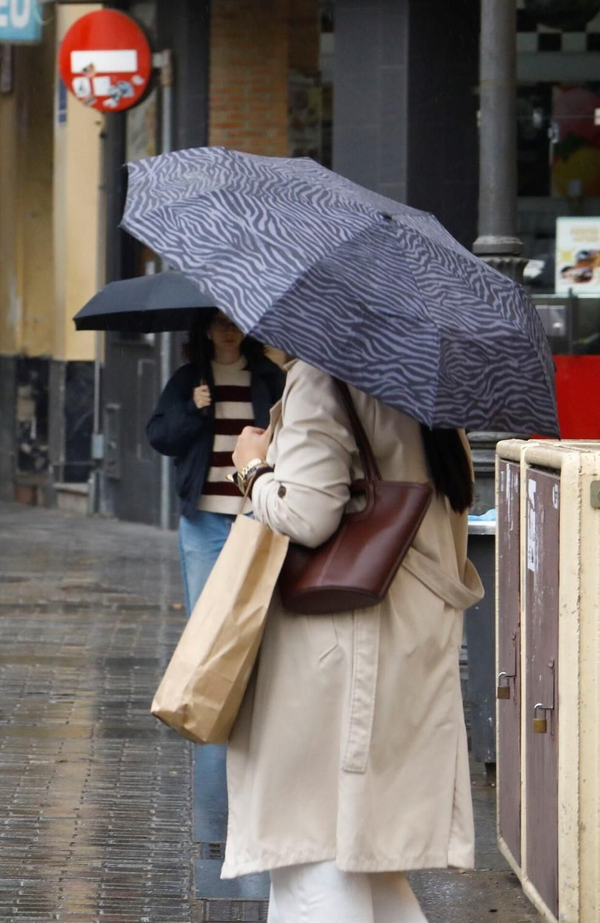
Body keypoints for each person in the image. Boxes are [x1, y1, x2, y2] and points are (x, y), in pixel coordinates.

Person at [223, 358, 482, 920]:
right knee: (359, 850)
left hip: (337, 647)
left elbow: (307, 514)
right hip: (404, 636)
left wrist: (250, 470)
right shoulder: (430, 380)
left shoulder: (322, 375)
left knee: (315, 844)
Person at [147, 309, 286, 612]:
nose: (229, 330)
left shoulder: (269, 378)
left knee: (251, 612)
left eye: (236, 322)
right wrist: (191, 408)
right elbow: (159, 436)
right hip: (203, 517)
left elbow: (289, 435)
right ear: (206, 331)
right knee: (203, 615)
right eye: (220, 323)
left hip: (254, 514)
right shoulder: (189, 379)